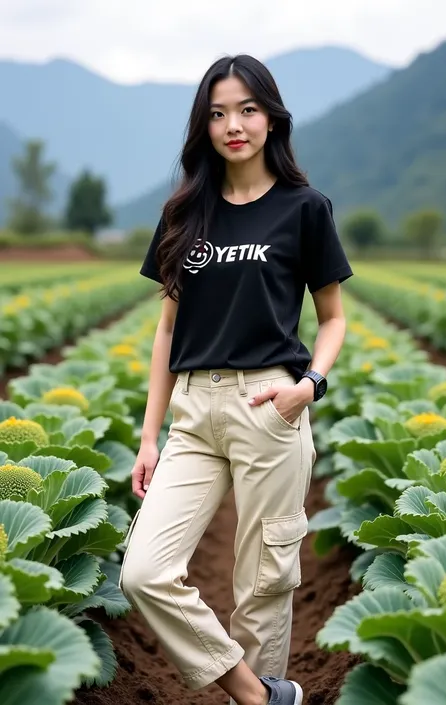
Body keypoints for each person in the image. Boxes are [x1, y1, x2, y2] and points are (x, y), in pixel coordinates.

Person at [120, 53, 353, 705]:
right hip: (195, 410)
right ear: (205, 126)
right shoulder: (184, 213)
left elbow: (332, 319)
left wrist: (309, 385)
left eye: (247, 109)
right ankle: (257, 693)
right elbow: (167, 331)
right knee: (145, 570)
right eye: (218, 112)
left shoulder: (304, 208)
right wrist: (148, 436)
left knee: (264, 582)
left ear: (271, 118)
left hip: (270, 402)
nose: (234, 124)